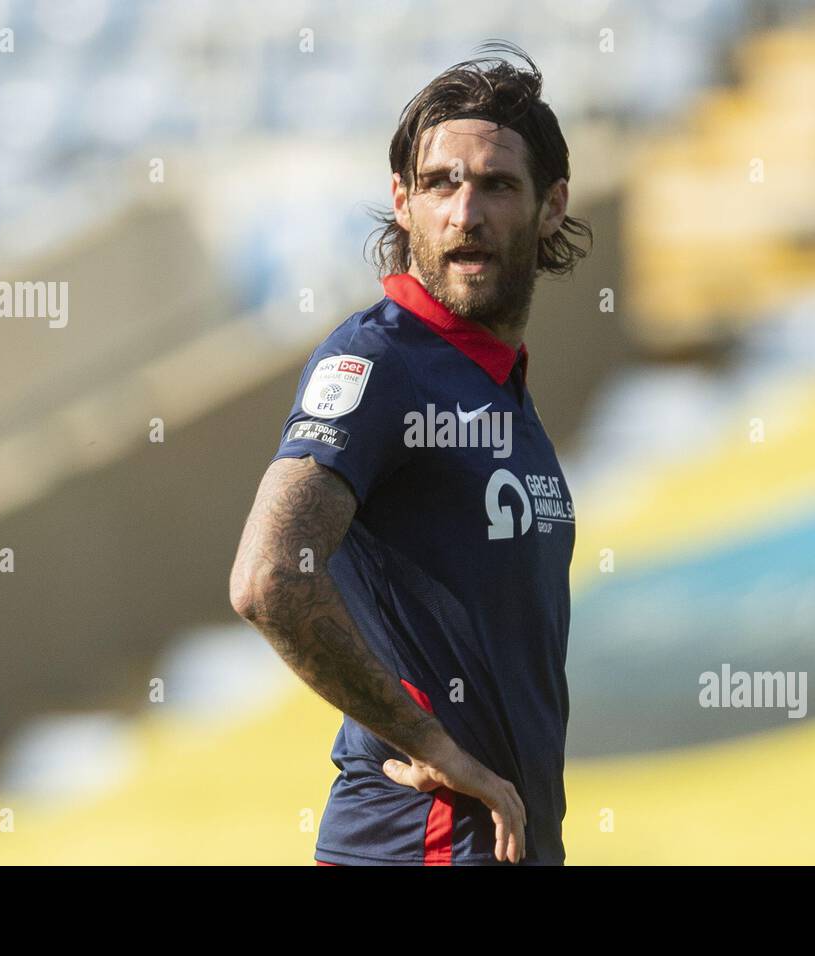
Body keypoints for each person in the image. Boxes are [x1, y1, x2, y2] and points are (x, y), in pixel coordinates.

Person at [229, 41, 590, 865]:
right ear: (402, 201)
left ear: (552, 205)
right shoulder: (378, 361)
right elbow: (270, 577)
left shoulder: (498, 383)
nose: (466, 213)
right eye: (440, 184)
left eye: (497, 185)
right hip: (412, 843)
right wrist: (434, 745)